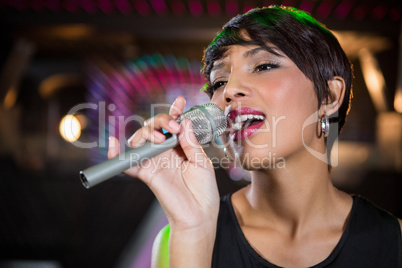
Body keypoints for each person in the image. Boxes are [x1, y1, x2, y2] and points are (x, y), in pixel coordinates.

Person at [108, 5, 402, 268]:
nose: (229, 90)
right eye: (219, 81)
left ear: (329, 95)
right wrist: (193, 231)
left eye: (263, 66)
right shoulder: (182, 236)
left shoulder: (395, 243)